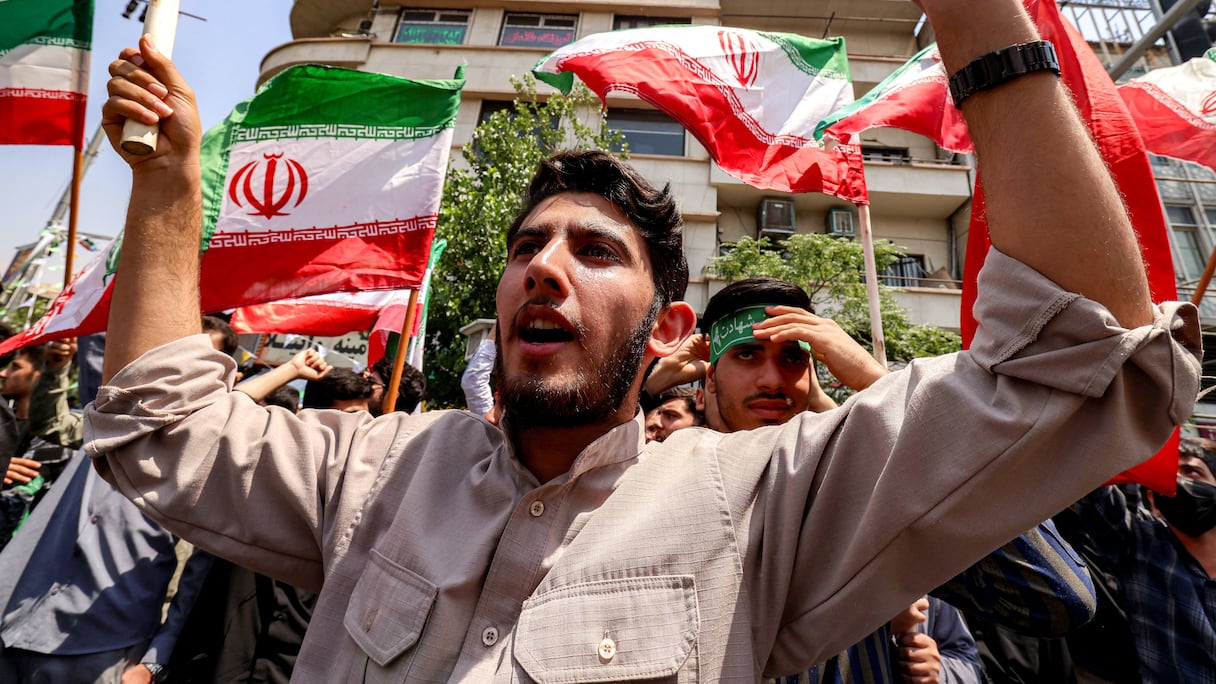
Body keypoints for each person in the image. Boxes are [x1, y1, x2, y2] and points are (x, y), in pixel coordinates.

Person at [86, 1, 1199, 678]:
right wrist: (172, 189)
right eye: (529, 245)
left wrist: (973, 18)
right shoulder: (374, 471)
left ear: (667, 330)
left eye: (594, 251)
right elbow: (160, 429)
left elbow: (1080, 357)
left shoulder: (760, 502)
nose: (546, 266)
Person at [1064, 436, 1216, 681]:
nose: (1180, 482)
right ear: (1154, 500)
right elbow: (1097, 491)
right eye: (1167, 478)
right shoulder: (1141, 546)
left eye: (1192, 471)